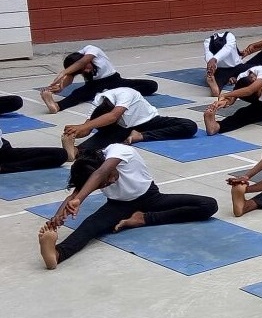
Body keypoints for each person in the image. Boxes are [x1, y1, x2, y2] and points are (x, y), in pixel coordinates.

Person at [37, 144, 218, 269]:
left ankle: (143, 219)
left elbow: (101, 173)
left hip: (152, 198)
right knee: (90, 226)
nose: (111, 181)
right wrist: (56, 220)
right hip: (117, 206)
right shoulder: (91, 171)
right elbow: (74, 195)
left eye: (108, 178)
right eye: (104, 185)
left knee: (208, 205)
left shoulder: (118, 151)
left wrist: (80, 200)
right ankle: (57, 254)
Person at [61, 88, 197, 160]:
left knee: (190, 126)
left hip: (149, 121)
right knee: (104, 138)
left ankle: (140, 136)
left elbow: (113, 116)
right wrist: (75, 132)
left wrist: (83, 126)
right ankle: (74, 151)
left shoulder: (125, 93)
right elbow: (88, 128)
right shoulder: (98, 101)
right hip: (122, 128)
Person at [40, 45, 158, 114]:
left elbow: (84, 61)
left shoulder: (91, 50)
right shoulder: (77, 65)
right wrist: (61, 87)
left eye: (86, 67)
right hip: (94, 85)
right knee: (78, 94)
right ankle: (57, 106)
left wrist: (63, 72)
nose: (86, 71)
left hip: (115, 80)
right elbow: (70, 77)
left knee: (151, 85)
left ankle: (107, 94)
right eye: (82, 71)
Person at [0, 96, 67, 174]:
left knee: (61, 154)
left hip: (4, 149)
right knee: (60, 155)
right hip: (4, 154)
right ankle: (5, 168)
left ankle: (4, 167)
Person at [203, 31, 245, 97]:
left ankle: (234, 78)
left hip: (222, 70)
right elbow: (228, 48)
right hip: (236, 67)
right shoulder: (230, 35)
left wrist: (212, 62)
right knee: (254, 70)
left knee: (254, 70)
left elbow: (208, 55)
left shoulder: (208, 41)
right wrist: (212, 64)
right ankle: (236, 78)